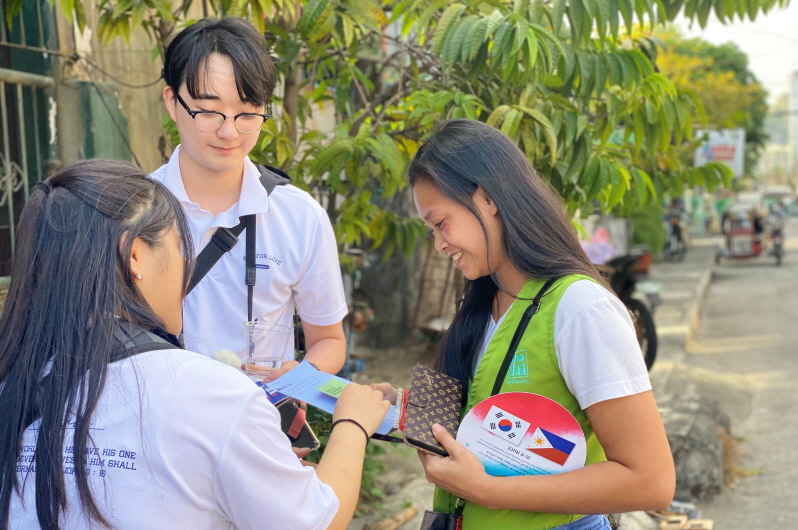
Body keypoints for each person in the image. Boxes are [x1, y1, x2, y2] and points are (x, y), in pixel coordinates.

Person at [0, 161, 390, 530]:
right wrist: (352, 425)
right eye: (179, 247)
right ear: (135, 254)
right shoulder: (216, 397)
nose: (188, 267)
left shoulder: (13, 381)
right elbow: (319, 522)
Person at [374, 120, 675, 530]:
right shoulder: (486, 300)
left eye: (440, 223)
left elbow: (651, 481)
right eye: (430, 230)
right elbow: (494, 416)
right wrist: (402, 409)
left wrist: (489, 491)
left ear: (486, 199)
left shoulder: (581, 309)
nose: (439, 244)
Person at [151, 17, 347, 379]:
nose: (229, 131)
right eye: (208, 111)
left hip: (260, 425)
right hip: (161, 429)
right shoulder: (131, 212)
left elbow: (330, 341)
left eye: (246, 112)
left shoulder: (300, 218)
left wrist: (302, 375)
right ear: (172, 102)